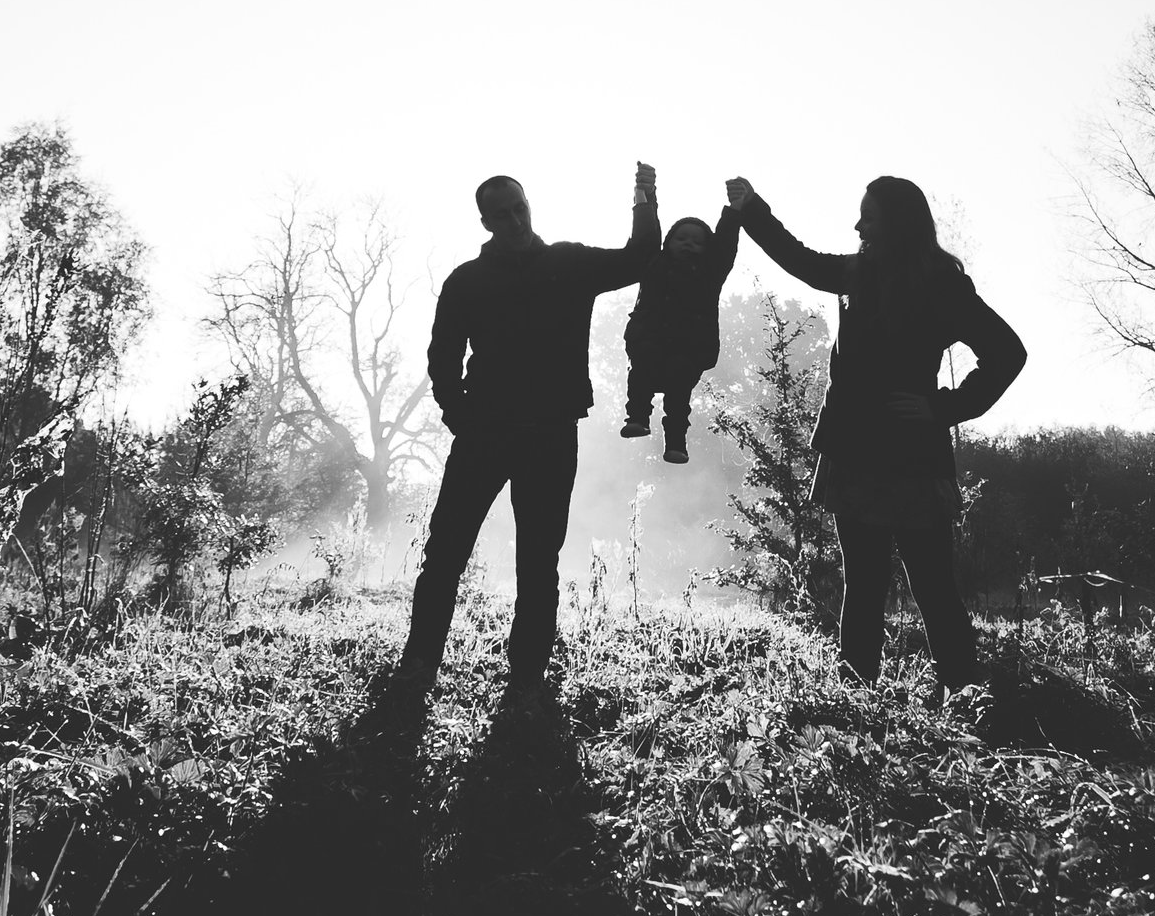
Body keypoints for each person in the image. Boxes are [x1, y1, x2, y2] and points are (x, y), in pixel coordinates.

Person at [726, 173, 1024, 691]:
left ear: (897, 221)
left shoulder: (940, 283)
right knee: (862, 588)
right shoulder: (860, 274)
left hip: (911, 460)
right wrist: (752, 210)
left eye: (869, 213)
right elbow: (800, 260)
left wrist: (942, 408)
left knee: (933, 590)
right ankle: (857, 705)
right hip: (857, 455)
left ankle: (965, 700)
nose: (858, 223)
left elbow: (1007, 353)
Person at [395, 164, 660, 709]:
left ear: (528, 204)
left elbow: (640, 259)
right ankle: (419, 665)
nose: (515, 220)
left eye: (519, 207)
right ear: (485, 221)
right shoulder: (466, 281)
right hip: (484, 433)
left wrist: (644, 196)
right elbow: (442, 357)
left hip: (550, 433)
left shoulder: (569, 262)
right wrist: (457, 414)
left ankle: (526, 680)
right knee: (445, 554)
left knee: (538, 562)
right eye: (502, 214)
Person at [619, 205, 743, 464]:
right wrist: (646, 197)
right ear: (668, 242)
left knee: (678, 397)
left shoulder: (710, 273)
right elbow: (647, 233)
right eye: (681, 238)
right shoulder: (654, 263)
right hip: (649, 343)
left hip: (687, 350)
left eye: (697, 242)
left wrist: (734, 212)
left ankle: (676, 443)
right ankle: (637, 418)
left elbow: (726, 246)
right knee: (640, 376)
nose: (688, 245)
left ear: (707, 249)